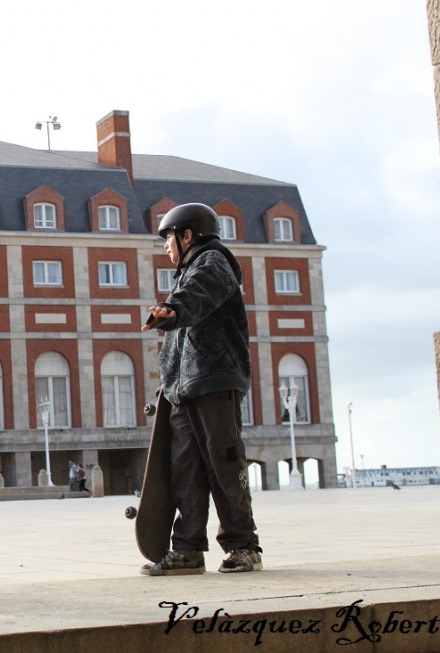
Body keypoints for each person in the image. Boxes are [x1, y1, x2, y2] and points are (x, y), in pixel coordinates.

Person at [140, 202, 261, 575]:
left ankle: (243, 546)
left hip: (214, 380)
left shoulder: (213, 262)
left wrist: (172, 309)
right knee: (184, 470)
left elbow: (198, 294)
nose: (165, 246)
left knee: (224, 464)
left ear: (187, 235)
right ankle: (188, 549)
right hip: (183, 388)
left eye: (168, 238)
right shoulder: (186, 271)